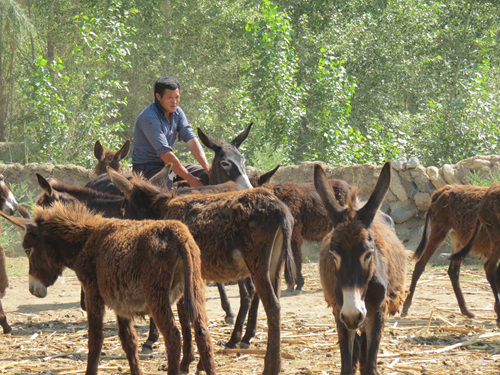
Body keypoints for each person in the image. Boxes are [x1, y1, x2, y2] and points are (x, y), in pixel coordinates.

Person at [132, 76, 211, 188]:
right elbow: (165, 154)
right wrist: (191, 180)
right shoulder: (149, 117)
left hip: (167, 167)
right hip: (146, 170)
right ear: (158, 96)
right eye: (170, 98)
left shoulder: (177, 112)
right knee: (169, 189)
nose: (174, 102)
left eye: (177, 97)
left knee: (208, 175)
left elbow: (191, 139)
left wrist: (207, 168)